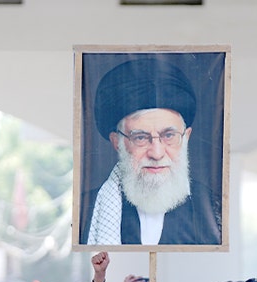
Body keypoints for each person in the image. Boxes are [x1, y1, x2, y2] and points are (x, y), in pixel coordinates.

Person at [81, 58, 221, 246]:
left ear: (186, 137)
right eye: (140, 137)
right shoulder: (86, 209)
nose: (157, 153)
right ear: (117, 142)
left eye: (169, 135)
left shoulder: (212, 209)